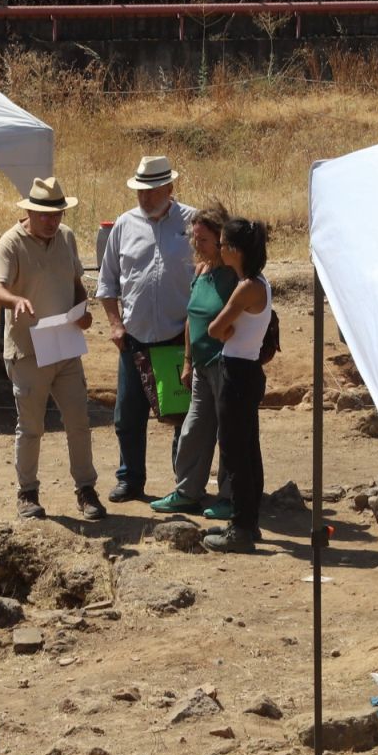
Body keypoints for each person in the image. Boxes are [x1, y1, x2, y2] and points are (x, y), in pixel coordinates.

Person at [0, 176, 102, 523]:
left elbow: (75, 284)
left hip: (65, 344)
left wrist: (83, 311)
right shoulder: (10, 243)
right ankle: (27, 493)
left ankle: (86, 489)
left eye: (58, 214)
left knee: (78, 422)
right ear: (31, 212)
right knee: (31, 426)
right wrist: (16, 300)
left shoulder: (65, 238)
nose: (53, 221)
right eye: (46, 215)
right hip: (28, 350)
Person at [96, 155, 193, 503]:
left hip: (178, 339)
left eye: (153, 190)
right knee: (127, 415)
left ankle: (185, 485)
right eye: (141, 191)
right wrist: (114, 325)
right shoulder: (124, 225)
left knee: (181, 416)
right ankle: (130, 479)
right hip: (134, 339)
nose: (146, 197)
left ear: (170, 188)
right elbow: (107, 283)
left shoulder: (193, 223)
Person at [149, 201, 239, 520]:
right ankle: (187, 491)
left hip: (228, 365)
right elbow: (192, 317)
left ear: (220, 239)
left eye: (202, 239)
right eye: (194, 238)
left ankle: (231, 496)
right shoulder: (202, 270)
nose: (196, 245)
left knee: (230, 433)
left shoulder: (235, 273)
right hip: (202, 365)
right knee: (194, 429)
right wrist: (188, 360)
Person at [199, 217, 271, 553]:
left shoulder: (245, 288)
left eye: (225, 244)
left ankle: (241, 528)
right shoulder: (259, 283)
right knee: (248, 448)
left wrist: (221, 329)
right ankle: (248, 521)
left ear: (236, 251)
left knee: (234, 451)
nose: (221, 249)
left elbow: (215, 328)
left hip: (237, 372)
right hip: (248, 369)